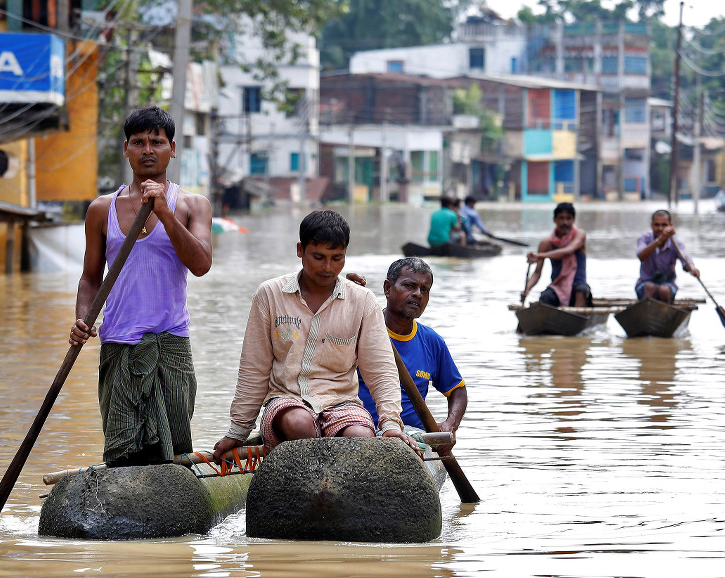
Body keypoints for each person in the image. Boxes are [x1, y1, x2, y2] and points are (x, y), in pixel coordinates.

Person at [213, 210, 420, 462]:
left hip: (342, 402)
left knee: (360, 436)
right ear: (300, 250)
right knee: (299, 424)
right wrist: (238, 430)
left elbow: (381, 370)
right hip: (286, 401)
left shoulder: (362, 301)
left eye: (337, 258)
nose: (328, 267)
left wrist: (390, 425)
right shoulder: (270, 294)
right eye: (319, 257)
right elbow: (254, 367)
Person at [69, 106, 213, 467]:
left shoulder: (193, 205)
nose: (148, 149)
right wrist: (82, 319)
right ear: (126, 150)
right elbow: (90, 278)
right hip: (119, 343)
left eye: (157, 142)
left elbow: (201, 264)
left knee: (173, 454)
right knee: (122, 455)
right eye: (139, 142)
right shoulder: (102, 209)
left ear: (172, 149)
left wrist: (164, 211)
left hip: (171, 343)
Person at [356, 258, 467, 456]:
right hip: (360, 430)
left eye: (425, 290)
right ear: (388, 288)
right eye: (409, 286)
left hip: (413, 437)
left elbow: (457, 390)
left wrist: (451, 424)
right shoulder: (360, 330)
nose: (417, 294)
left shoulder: (432, 341)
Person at [521, 202, 592, 307]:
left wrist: (540, 255)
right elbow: (537, 273)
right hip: (557, 287)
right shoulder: (546, 244)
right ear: (555, 220)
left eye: (568, 218)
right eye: (561, 218)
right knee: (546, 297)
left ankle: (577, 320)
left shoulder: (579, 235)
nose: (565, 222)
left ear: (574, 220)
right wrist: (527, 289)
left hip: (578, 285)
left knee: (581, 291)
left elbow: (568, 251)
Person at [635, 209, 699, 303]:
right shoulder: (644, 239)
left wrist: (692, 269)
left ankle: (664, 313)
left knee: (663, 290)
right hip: (644, 285)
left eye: (664, 225)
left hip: (668, 286)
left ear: (670, 225)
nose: (660, 228)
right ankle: (646, 311)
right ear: (652, 225)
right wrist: (659, 240)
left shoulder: (676, 243)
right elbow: (641, 256)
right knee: (650, 287)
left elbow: (685, 259)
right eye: (657, 225)